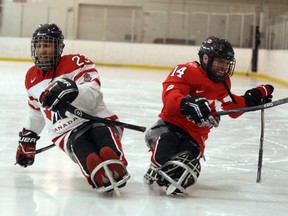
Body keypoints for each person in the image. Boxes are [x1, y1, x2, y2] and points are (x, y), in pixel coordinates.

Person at [144, 36, 274, 195]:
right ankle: (156, 152)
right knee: (168, 144)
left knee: (182, 170)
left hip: (195, 136)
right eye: (219, 62)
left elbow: (230, 106)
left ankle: (164, 164)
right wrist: (188, 102)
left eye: (226, 63)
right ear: (205, 59)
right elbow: (170, 99)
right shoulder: (186, 71)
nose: (223, 67)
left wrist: (249, 101)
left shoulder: (224, 81)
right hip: (170, 127)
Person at [15, 23, 130, 194]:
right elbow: (36, 111)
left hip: (95, 118)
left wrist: (73, 90)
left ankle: (115, 165)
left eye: (46, 45)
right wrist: (28, 137)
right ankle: (96, 172)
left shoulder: (76, 62)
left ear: (59, 47)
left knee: (101, 133)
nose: (41, 51)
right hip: (66, 131)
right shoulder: (31, 77)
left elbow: (93, 94)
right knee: (80, 145)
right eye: (38, 46)